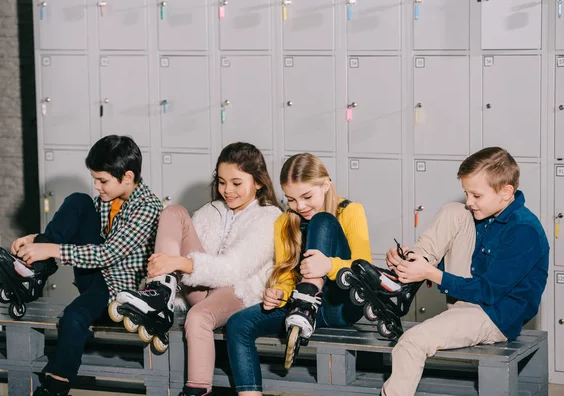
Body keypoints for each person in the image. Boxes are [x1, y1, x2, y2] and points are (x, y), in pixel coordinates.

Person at [112, 142, 282, 396]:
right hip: (201, 287)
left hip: (238, 292)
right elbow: (183, 250)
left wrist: (179, 263)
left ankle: (197, 390)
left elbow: (232, 270)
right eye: (222, 182)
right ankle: (159, 294)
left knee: (199, 317)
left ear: (258, 182)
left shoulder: (269, 216)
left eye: (237, 183)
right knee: (173, 211)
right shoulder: (213, 210)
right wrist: (166, 269)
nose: (227, 191)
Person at [381, 147, 549, 396]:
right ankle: (406, 274)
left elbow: (488, 292)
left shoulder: (524, 231)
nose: (470, 201)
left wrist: (430, 274)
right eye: (467, 193)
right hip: (471, 294)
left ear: (506, 192)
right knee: (454, 211)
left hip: (495, 315)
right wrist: (415, 263)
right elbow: (466, 259)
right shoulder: (486, 214)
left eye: (476, 195)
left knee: (411, 342)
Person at [12, 135, 163, 396]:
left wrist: (48, 249)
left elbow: (108, 254)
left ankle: (57, 385)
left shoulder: (147, 208)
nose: (97, 186)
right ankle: (41, 268)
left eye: (102, 180)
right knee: (78, 201)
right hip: (94, 277)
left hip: (116, 292)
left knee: (74, 317)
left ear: (127, 177)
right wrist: (35, 241)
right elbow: (75, 225)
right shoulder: (108, 200)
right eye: (95, 179)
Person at [225, 152, 372, 395]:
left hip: (339, 305)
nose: (300, 206)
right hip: (297, 309)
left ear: (325, 185)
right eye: (291, 199)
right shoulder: (284, 222)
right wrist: (278, 293)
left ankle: (308, 298)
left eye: (306, 196)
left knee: (322, 220)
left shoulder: (350, 211)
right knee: (238, 324)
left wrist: (329, 267)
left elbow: (363, 268)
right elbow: (285, 275)